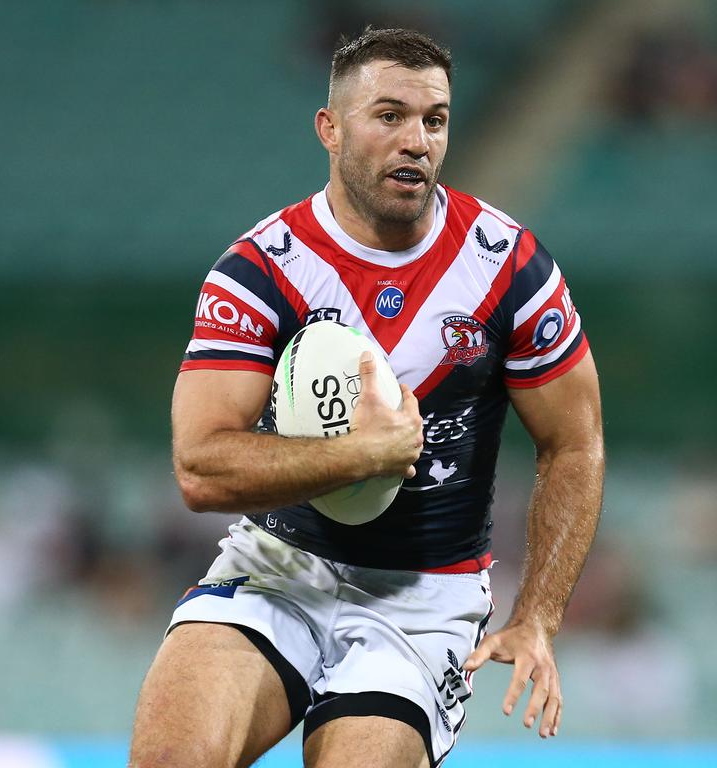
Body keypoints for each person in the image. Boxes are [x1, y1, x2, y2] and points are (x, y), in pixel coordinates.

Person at [129, 27, 604, 768]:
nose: (416, 140)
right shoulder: (260, 271)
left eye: (434, 120)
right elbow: (200, 468)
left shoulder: (509, 267)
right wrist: (362, 454)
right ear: (330, 129)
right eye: (389, 116)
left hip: (422, 600)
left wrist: (538, 614)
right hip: (278, 566)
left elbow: (575, 441)